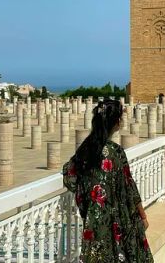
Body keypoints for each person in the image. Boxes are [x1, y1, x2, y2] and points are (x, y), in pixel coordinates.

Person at [62, 99, 153, 262]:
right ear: (116, 122)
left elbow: (70, 176)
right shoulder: (115, 152)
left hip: (95, 222)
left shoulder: (85, 149)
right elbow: (130, 187)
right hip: (119, 221)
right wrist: (143, 215)